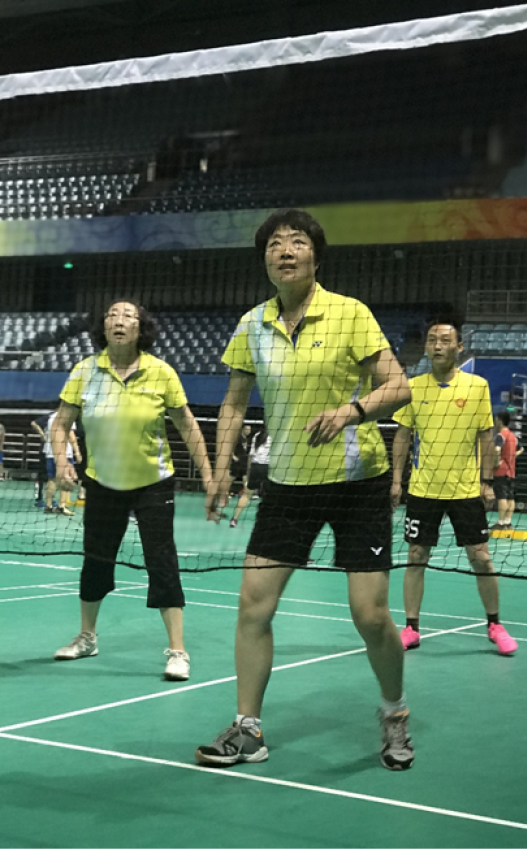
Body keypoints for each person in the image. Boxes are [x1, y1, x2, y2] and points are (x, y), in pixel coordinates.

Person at [195, 208, 414, 771]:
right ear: (265, 260)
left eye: (296, 241)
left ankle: (394, 711)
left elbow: (399, 386)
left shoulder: (350, 313)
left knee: (370, 615)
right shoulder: (252, 324)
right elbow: (234, 404)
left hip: (356, 483)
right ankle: (248, 729)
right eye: (274, 243)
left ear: (316, 256)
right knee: (253, 606)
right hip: (289, 484)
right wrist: (220, 469)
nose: (285, 250)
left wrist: (351, 411)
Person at [51, 299, 215, 681]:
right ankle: (87, 637)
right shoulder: (84, 371)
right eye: (112, 315)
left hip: (153, 484)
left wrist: (209, 476)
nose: (119, 320)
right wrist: (61, 461)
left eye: (128, 316)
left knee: (162, 561)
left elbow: (188, 425)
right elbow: (60, 424)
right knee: (96, 561)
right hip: (102, 483)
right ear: (103, 327)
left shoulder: (161, 372)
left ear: (141, 328)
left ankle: (178, 651)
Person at [391, 315, 518, 656]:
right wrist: (396, 480)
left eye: (445, 340)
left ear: (459, 347)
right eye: (432, 340)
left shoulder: (477, 386)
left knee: (481, 559)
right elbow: (402, 435)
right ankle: (411, 627)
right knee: (415, 557)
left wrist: (486, 482)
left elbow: (485, 436)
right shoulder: (413, 386)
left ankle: (494, 624)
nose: (437, 345)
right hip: (423, 489)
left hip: (466, 490)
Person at [230, 426, 271, 528]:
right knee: (270, 496)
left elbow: (251, 456)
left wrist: (248, 473)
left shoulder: (256, 435)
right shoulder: (275, 436)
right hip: (268, 468)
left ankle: (234, 519)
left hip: (255, 467)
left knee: (247, 495)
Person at [43, 409, 81, 516]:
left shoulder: (51, 417)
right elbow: (71, 436)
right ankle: (62, 506)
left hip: (50, 453)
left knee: (51, 479)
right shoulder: (68, 417)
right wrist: (77, 452)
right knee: (65, 479)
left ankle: (48, 506)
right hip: (65, 454)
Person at [491, 411, 524, 531]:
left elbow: (497, 449)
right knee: (510, 497)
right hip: (511, 471)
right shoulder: (513, 436)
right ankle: (508, 522)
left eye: (495, 420)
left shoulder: (501, 436)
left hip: (501, 472)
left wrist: (496, 462)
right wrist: (511, 456)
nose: (494, 422)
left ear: (500, 421)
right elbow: (521, 449)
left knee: (502, 497)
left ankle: (500, 523)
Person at [30, 414, 50, 507]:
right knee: (42, 474)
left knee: (52, 476)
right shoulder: (50, 416)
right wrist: (43, 435)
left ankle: (50, 499)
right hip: (45, 451)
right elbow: (34, 423)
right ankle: (39, 498)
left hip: (56, 451)